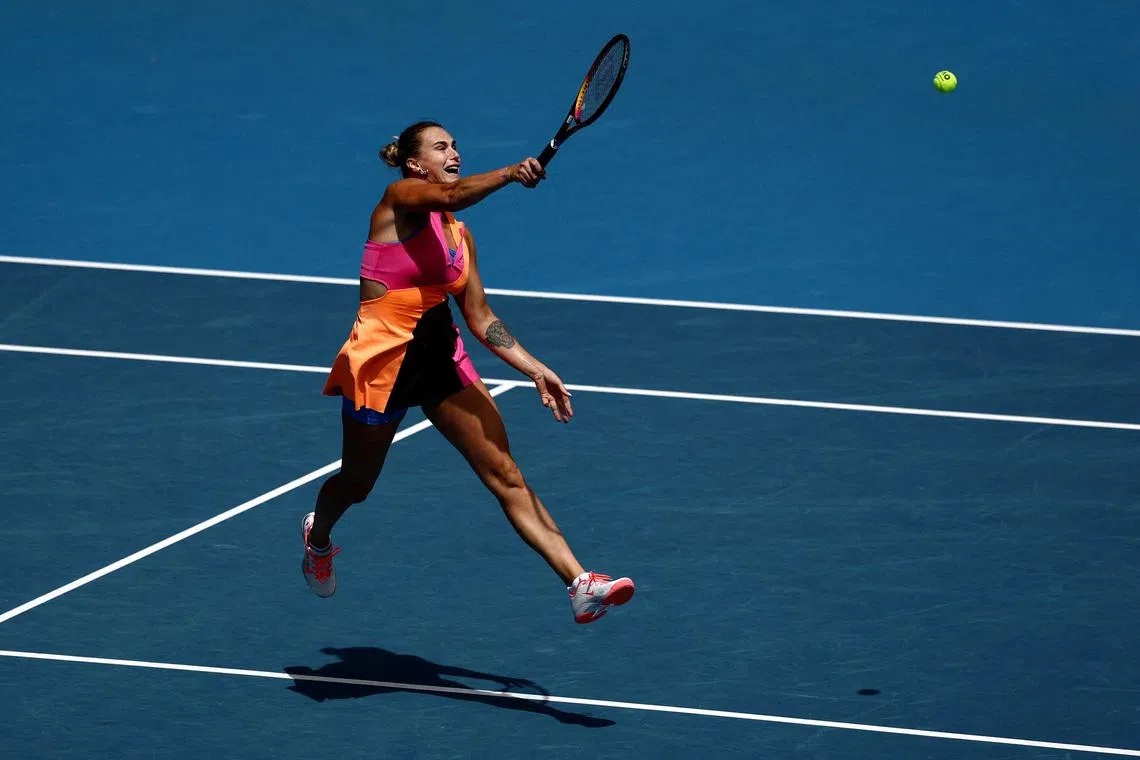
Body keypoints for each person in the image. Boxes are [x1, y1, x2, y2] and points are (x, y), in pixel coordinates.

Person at [302, 120, 634, 624]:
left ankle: (580, 584)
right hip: (383, 364)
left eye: (455, 146)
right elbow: (453, 194)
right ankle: (319, 539)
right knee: (356, 485)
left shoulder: (459, 237)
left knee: (506, 474)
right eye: (440, 147)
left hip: (441, 360)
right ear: (415, 164)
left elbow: (480, 318)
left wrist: (535, 369)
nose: (453, 153)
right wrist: (512, 172)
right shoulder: (398, 199)